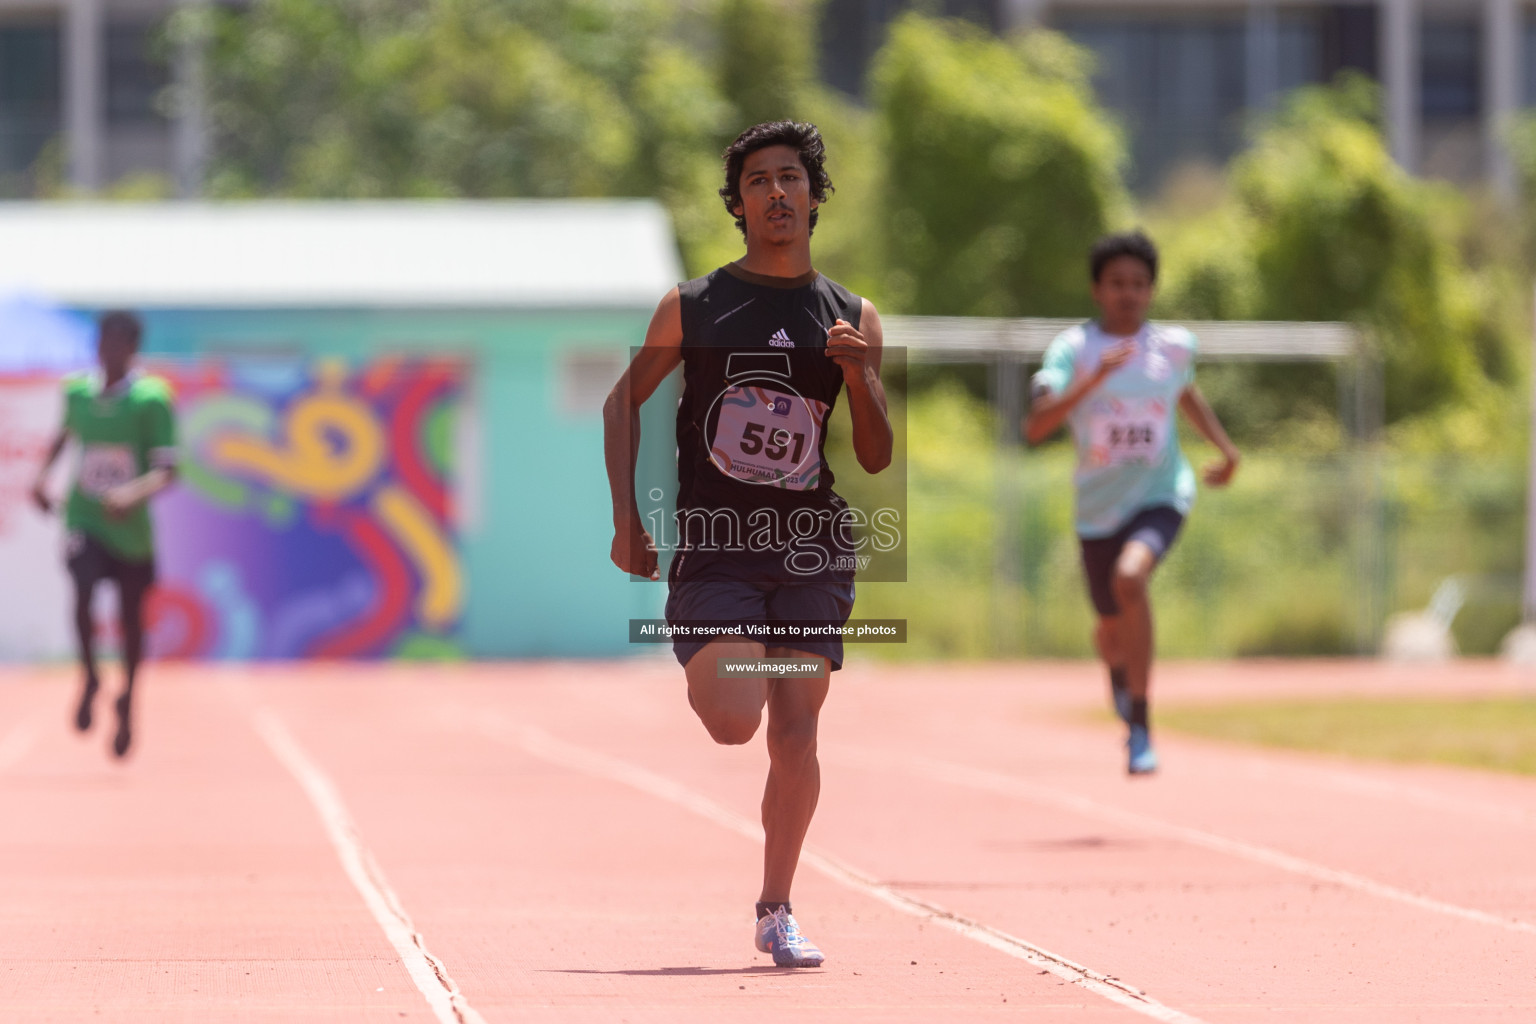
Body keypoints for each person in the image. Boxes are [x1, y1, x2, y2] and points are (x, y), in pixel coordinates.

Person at [603, 121, 892, 967]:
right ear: (738, 205)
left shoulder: (852, 315)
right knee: (735, 719)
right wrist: (628, 518)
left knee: (797, 732)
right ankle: (725, 648)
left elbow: (873, 455)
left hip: (811, 548)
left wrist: (859, 374)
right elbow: (623, 404)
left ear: (813, 196)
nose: (777, 193)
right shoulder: (695, 306)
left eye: (791, 178)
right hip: (719, 545)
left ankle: (777, 909)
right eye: (758, 181)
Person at [1024, 231, 1238, 775]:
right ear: (1097, 289)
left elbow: (1184, 391)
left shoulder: (1174, 346)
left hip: (1162, 493)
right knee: (1109, 628)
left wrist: (1225, 449)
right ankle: (1118, 671)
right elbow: (1036, 426)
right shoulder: (1073, 351)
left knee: (1131, 578)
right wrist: (1094, 381)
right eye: (1117, 283)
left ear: (1151, 291)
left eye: (1139, 285)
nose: (1129, 294)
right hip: (1097, 509)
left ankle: (1140, 723)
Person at [31, 311, 177, 758]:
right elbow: (65, 435)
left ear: (132, 349)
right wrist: (42, 478)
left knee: (132, 621)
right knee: (81, 587)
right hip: (86, 517)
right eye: (102, 342)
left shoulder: (152, 400)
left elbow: (168, 469)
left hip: (130, 529)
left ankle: (128, 697)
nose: (107, 352)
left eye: (117, 344)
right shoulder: (76, 393)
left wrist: (130, 496)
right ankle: (91, 674)